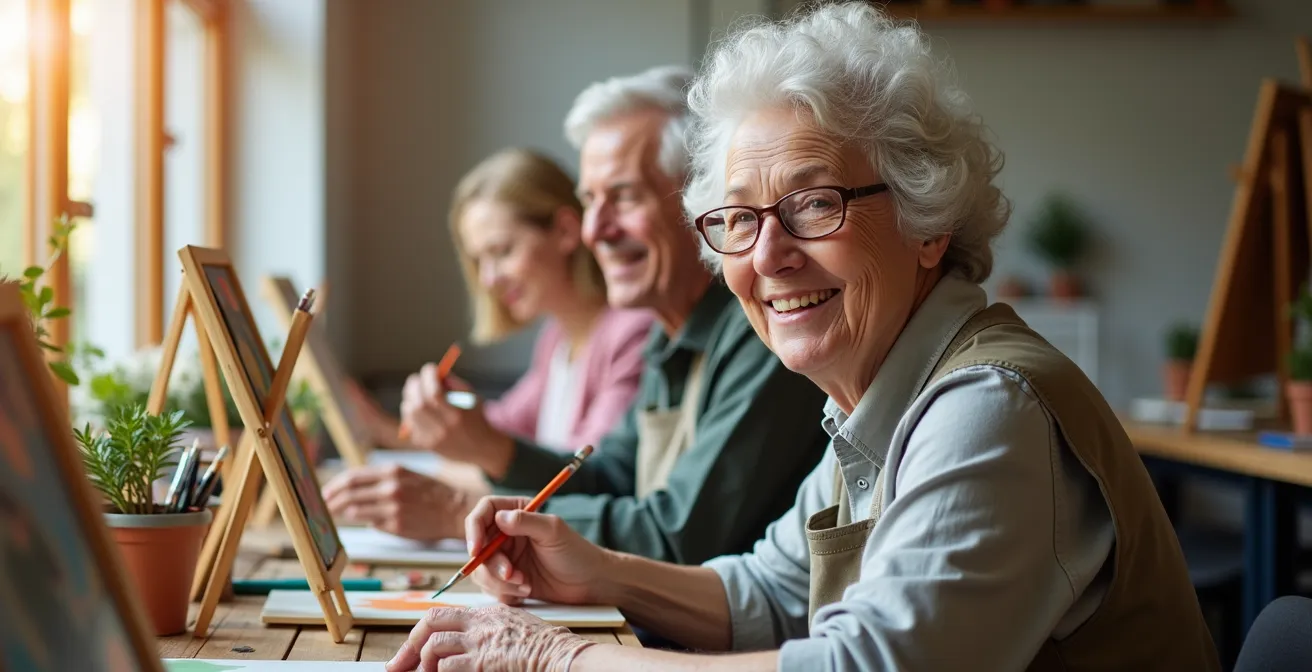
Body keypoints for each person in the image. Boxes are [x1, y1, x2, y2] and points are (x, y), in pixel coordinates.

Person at [383, 5, 1222, 671]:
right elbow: (769, 591)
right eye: (739, 219)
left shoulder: (989, 411)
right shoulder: (879, 394)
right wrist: (598, 573)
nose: (769, 256)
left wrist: (558, 658)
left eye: (816, 204)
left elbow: (860, 667)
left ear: (928, 222)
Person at [392, 65, 831, 566]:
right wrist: (495, 456)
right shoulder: (666, 337)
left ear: (702, 201)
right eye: (589, 201)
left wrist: (463, 513)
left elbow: (678, 536)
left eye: (623, 197)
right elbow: (610, 478)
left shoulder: (765, 331)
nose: (593, 230)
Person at [322, 148, 653, 541]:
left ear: (565, 231)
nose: (489, 280)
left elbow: (591, 480)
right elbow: (498, 433)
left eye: (502, 251)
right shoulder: (557, 341)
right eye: (479, 261)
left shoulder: (633, 333)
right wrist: (394, 428)